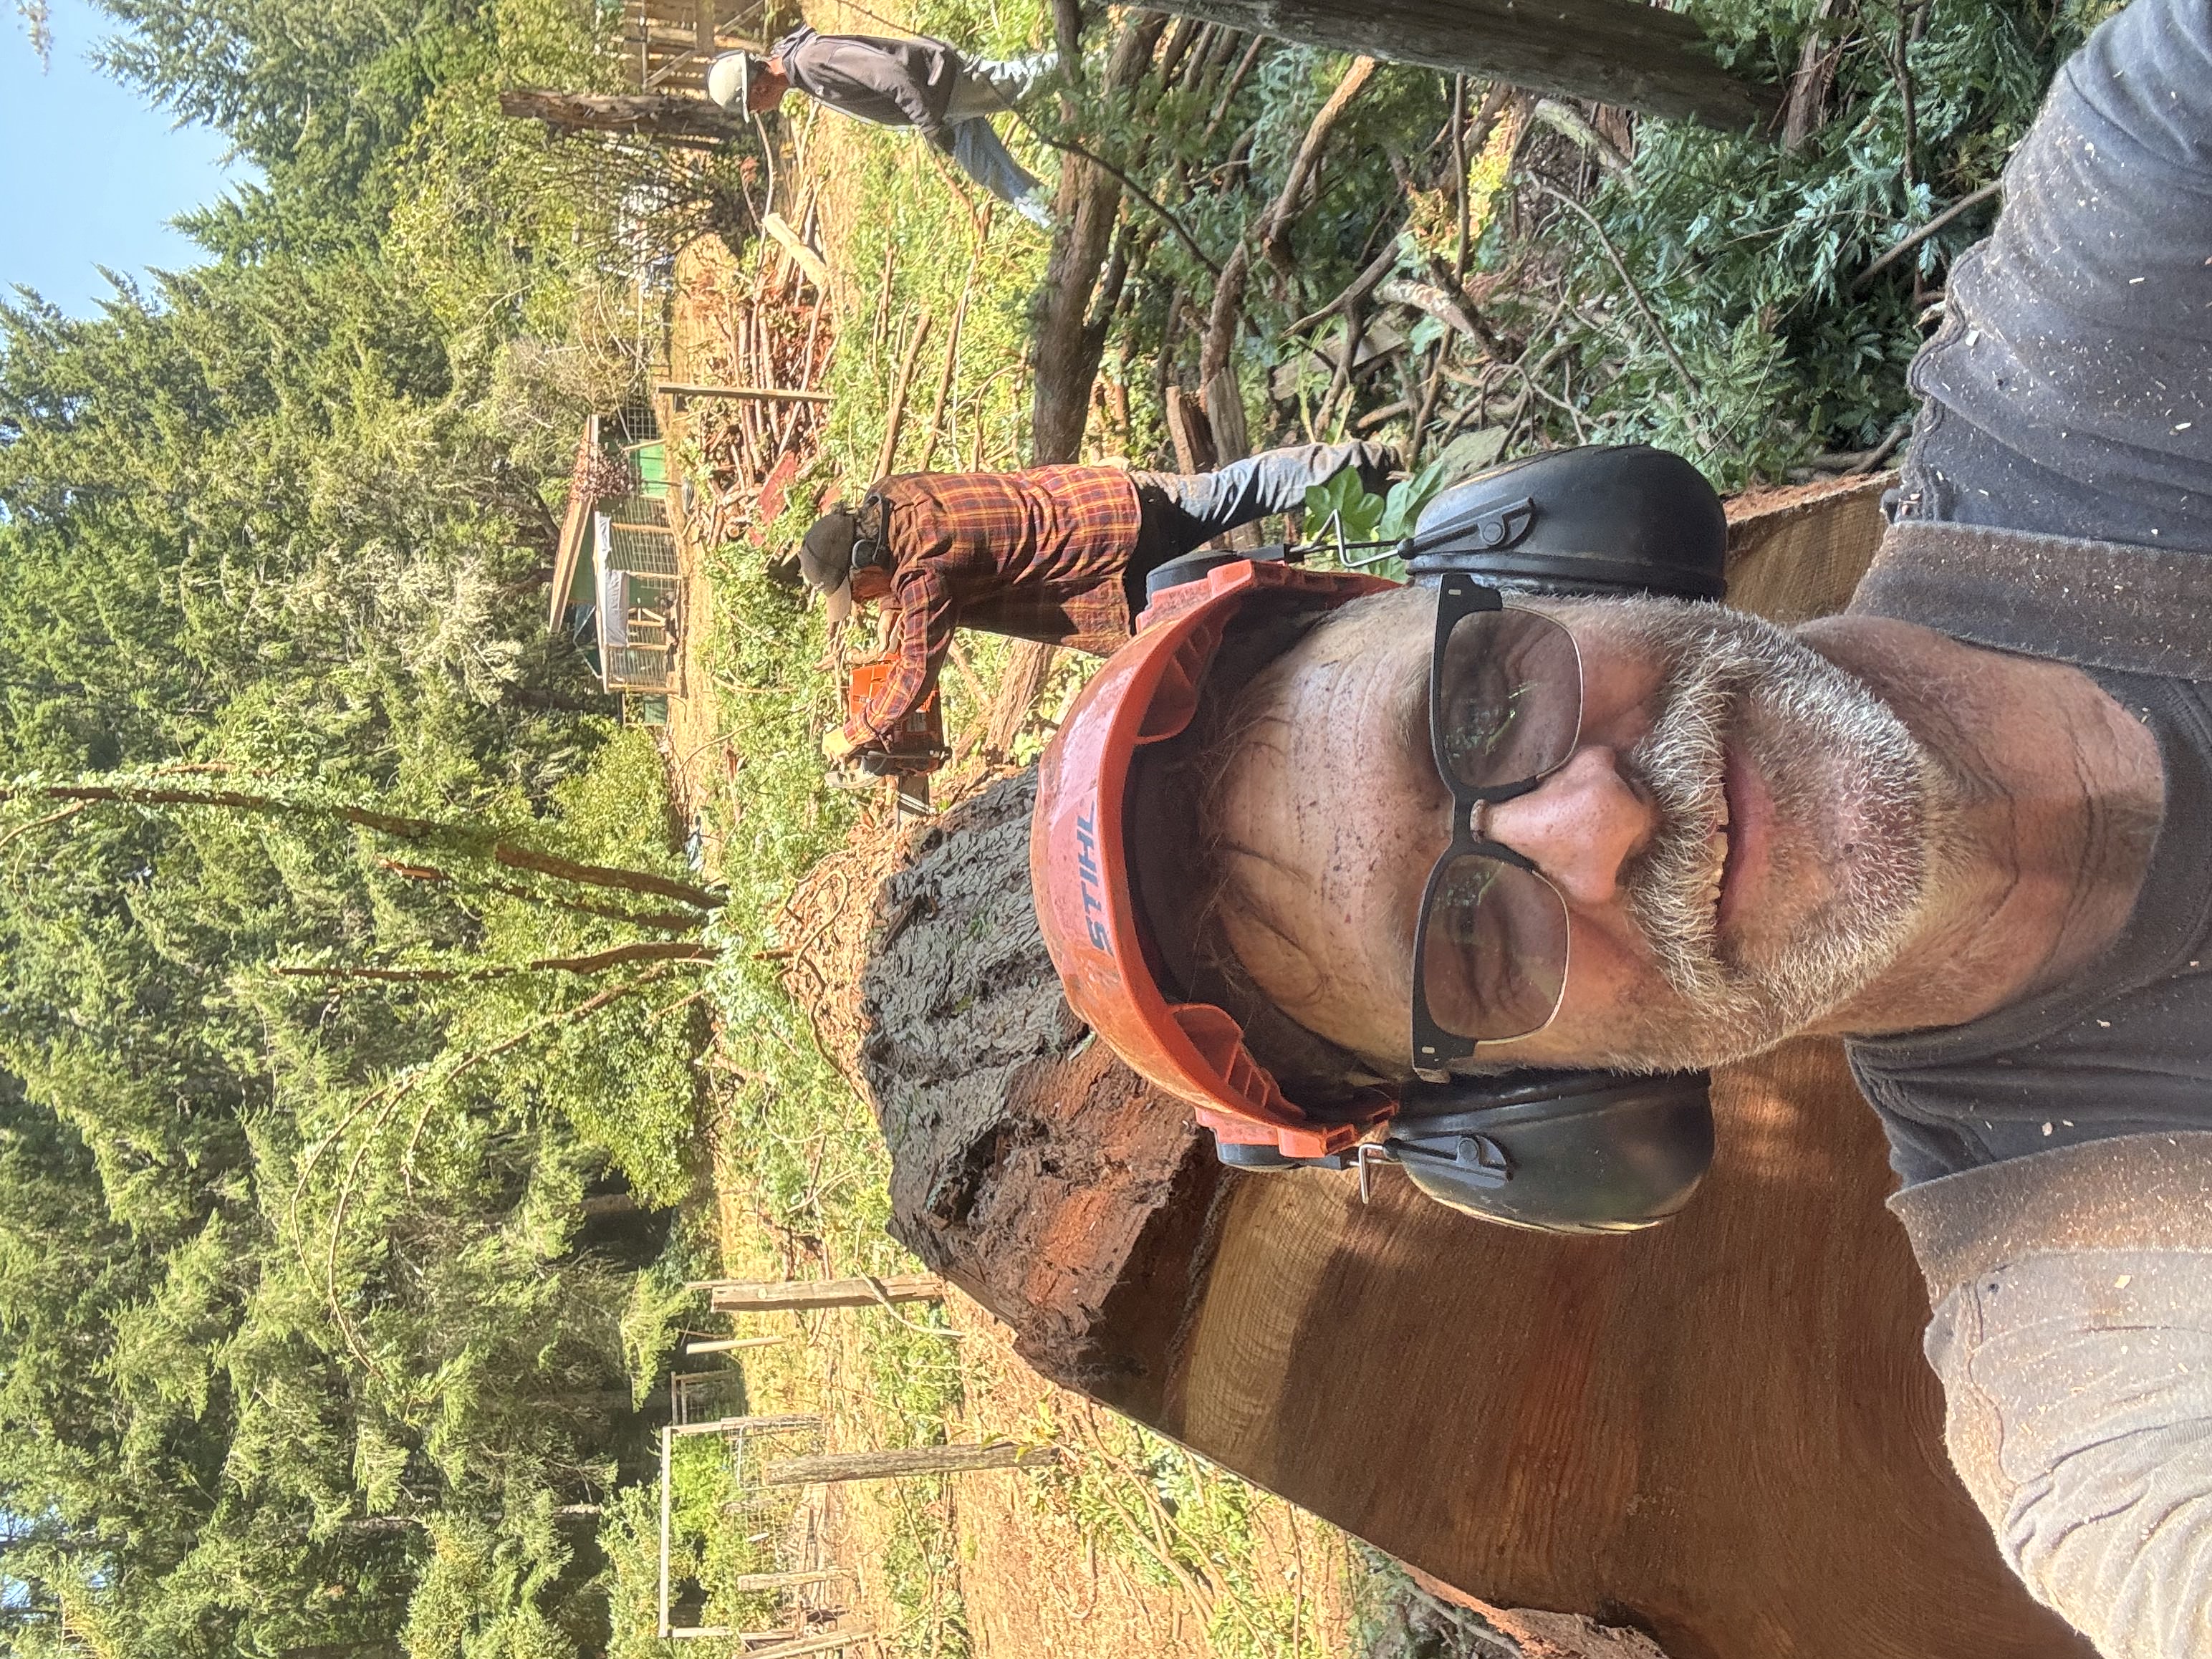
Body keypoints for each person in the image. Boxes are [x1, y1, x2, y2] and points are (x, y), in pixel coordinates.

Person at [1033, 0, 2212, 1653]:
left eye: (1477, 703)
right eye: (1472, 937)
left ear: (1545, 559)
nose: (1593, 822)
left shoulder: (2135, 258)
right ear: (1555, 1107)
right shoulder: (2104, 1381)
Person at [802, 441, 1396, 766]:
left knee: (1229, 642)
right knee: (1237, 488)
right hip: (1114, 494)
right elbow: (930, 567)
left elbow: (915, 672)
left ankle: (1354, 633)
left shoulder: (926, 575)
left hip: (1114, 571)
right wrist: (896, 610)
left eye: (861, 592)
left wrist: (856, 732)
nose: (865, 603)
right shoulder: (893, 492)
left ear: (867, 564)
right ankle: (1377, 468)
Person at [706, 28, 1057, 227]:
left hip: (944, 87)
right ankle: (1064, 221)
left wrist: (929, 124)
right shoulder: (798, 68)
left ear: (758, 89)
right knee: (997, 176)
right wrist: (930, 123)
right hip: (938, 108)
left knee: (1027, 81)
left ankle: (1088, 63)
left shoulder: (811, 60)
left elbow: (888, 73)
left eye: (753, 107)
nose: (760, 111)